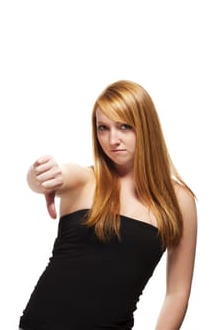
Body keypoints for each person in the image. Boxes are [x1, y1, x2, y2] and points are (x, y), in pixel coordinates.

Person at [19, 80, 197, 330]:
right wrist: (38, 176)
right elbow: (55, 176)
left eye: (124, 126)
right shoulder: (85, 180)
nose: (113, 139)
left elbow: (177, 293)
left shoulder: (179, 201)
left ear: (145, 127)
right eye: (103, 128)